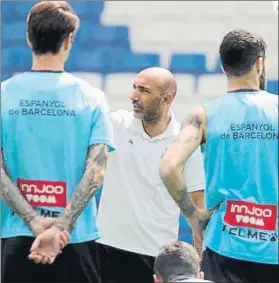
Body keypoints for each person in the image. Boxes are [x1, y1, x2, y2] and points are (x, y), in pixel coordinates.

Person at [1, 1, 114, 283]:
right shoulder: (91, 98)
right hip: (74, 238)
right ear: (70, 39)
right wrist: (61, 226)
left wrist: (35, 222)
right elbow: (96, 171)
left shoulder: (4, 95)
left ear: (28, 38)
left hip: (17, 236)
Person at [159, 29, 278, 283]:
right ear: (260, 64)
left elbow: (169, 167)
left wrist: (193, 215)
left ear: (223, 68)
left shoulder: (203, 115)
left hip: (224, 245)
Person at [96, 67, 206, 283]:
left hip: (156, 255)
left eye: (144, 91)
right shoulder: (116, 124)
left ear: (166, 99)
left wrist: (201, 253)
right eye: (134, 87)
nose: (133, 96)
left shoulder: (184, 143)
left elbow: (197, 201)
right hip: (105, 248)